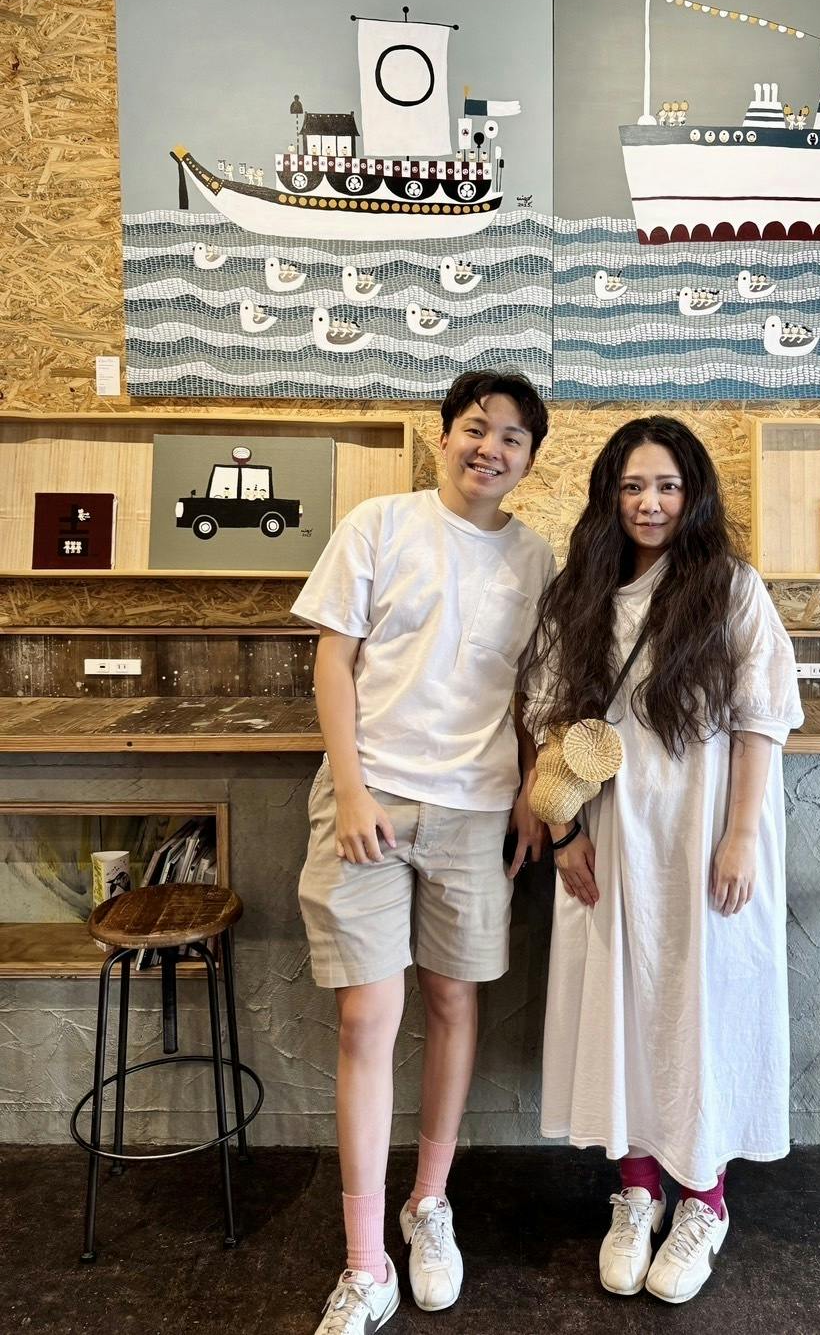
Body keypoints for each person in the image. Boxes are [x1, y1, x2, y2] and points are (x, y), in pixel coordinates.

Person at [293, 371, 554, 1334]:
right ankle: (365, 1262)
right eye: (477, 428)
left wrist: (532, 791)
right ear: (444, 436)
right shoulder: (379, 523)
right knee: (368, 1016)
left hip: (477, 811)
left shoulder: (536, 556)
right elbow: (332, 657)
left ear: (530, 458)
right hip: (368, 802)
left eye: (513, 437)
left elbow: (533, 688)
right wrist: (353, 786)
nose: (491, 447)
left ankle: (428, 1201)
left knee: (453, 1001)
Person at [523, 415, 803, 1305]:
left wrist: (740, 834)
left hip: (703, 830)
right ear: (610, 495)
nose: (650, 502)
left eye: (669, 486)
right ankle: (637, 1188)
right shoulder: (580, 591)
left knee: (700, 1001)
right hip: (610, 831)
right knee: (623, 1001)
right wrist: (563, 833)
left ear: (695, 495)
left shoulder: (731, 589)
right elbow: (545, 717)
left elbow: (762, 719)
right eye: (634, 485)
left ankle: (704, 1199)